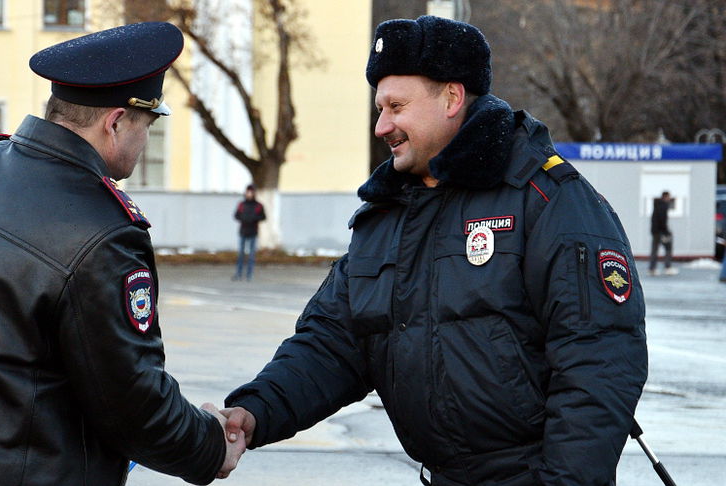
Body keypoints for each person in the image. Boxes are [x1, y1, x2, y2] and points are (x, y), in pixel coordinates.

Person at [219, 16, 647, 486]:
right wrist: (253, 411)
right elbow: (333, 344)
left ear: (452, 97)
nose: (382, 125)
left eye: (396, 106)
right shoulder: (386, 215)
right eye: (379, 107)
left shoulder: (546, 198)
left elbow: (599, 362)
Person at [0, 22, 244, 486]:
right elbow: (131, 400)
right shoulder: (101, 228)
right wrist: (210, 442)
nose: (144, 141)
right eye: (146, 124)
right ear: (115, 123)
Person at [232, 184, 266, 281]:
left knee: (251, 255)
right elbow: (236, 215)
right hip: (243, 231)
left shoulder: (258, 205)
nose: (249, 194)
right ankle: (238, 273)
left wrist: (254, 219)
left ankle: (249, 275)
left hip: (253, 232)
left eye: (251, 192)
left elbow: (263, 217)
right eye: (248, 192)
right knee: (241, 255)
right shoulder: (242, 205)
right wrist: (244, 218)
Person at [649, 191, 677, 275]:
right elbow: (662, 220)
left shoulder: (657, 205)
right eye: (668, 197)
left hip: (655, 231)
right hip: (661, 232)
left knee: (654, 250)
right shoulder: (663, 206)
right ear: (665, 197)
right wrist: (666, 232)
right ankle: (667, 267)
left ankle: (652, 268)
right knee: (668, 248)